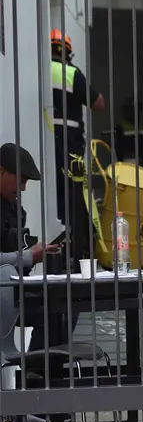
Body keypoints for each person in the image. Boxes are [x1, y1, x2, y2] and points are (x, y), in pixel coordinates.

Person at [0, 144, 62, 351]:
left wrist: (37, 249)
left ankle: (40, 372)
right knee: (54, 311)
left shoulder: (12, 207)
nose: (23, 188)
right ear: (1, 172)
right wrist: (27, 256)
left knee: (64, 305)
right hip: (4, 293)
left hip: (15, 288)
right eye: (22, 181)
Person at [49, 29, 104, 257]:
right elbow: (98, 103)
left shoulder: (38, 68)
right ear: (68, 53)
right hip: (70, 143)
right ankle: (77, 246)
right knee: (75, 193)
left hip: (46, 140)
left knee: (52, 191)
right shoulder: (70, 73)